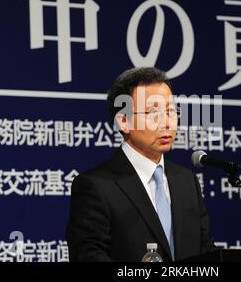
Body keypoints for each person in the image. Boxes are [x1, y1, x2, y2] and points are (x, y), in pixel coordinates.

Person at [66, 67, 216, 261]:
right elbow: (88, 256)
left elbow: (205, 250)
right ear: (124, 122)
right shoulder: (96, 186)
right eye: (153, 112)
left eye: (171, 111)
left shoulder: (186, 181)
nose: (167, 123)